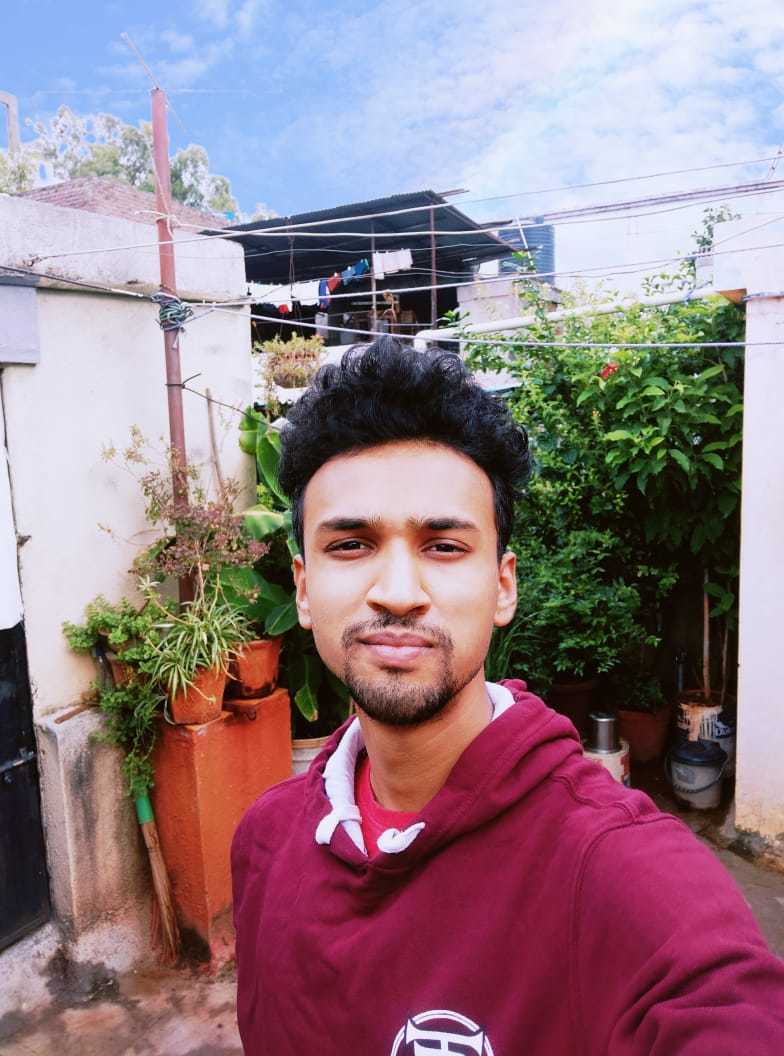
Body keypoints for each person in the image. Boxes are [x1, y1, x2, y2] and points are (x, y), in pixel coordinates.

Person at [232, 337, 784, 1055]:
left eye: (444, 546)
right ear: (304, 589)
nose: (397, 592)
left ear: (503, 586)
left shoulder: (616, 873)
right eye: (351, 545)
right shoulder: (266, 841)